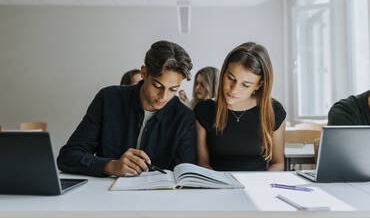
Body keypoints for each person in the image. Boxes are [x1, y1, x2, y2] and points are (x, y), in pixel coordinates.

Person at [57, 41, 196, 177]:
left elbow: (184, 175)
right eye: (157, 86)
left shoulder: (184, 117)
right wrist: (110, 166)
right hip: (103, 196)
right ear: (144, 72)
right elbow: (68, 156)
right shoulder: (108, 99)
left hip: (159, 198)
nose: (163, 97)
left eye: (173, 89)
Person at [194, 42, 286, 171]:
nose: (234, 89)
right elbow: (202, 164)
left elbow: (278, 163)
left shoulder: (274, 111)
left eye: (245, 85)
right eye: (230, 78)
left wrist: (260, 187)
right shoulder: (204, 110)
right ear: (223, 73)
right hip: (216, 186)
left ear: (259, 85)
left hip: (259, 186)